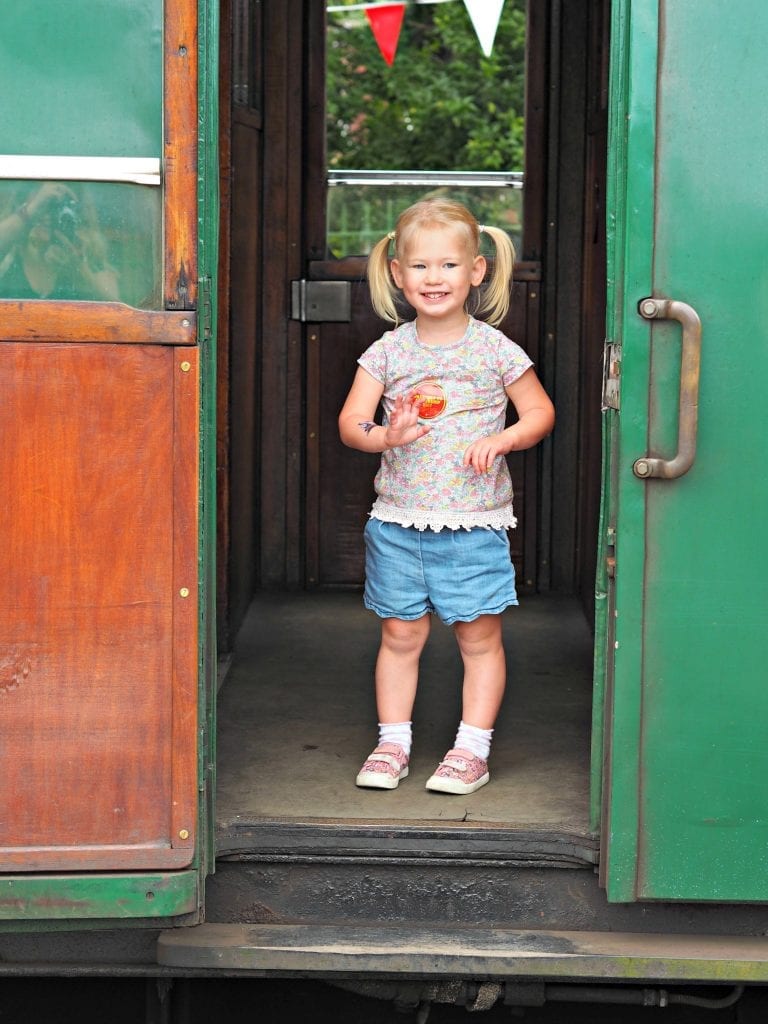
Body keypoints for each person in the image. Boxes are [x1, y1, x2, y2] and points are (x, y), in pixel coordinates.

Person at [338, 198, 555, 795]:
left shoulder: (495, 349)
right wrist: (387, 434)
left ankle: (471, 749)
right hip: (398, 521)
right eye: (420, 267)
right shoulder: (388, 351)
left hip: (472, 524)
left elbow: (540, 411)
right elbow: (351, 423)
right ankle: (393, 741)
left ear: (477, 271)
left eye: (449, 266)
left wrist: (503, 437)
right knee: (399, 635)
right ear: (398, 274)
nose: (435, 279)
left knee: (477, 637)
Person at [0, 181, 119, 301]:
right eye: (44, 205)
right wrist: (31, 212)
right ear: (23, 204)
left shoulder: (92, 261)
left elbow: (117, 313)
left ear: (77, 214)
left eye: (57, 207)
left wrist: (78, 270)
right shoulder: (7, 258)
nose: (48, 214)